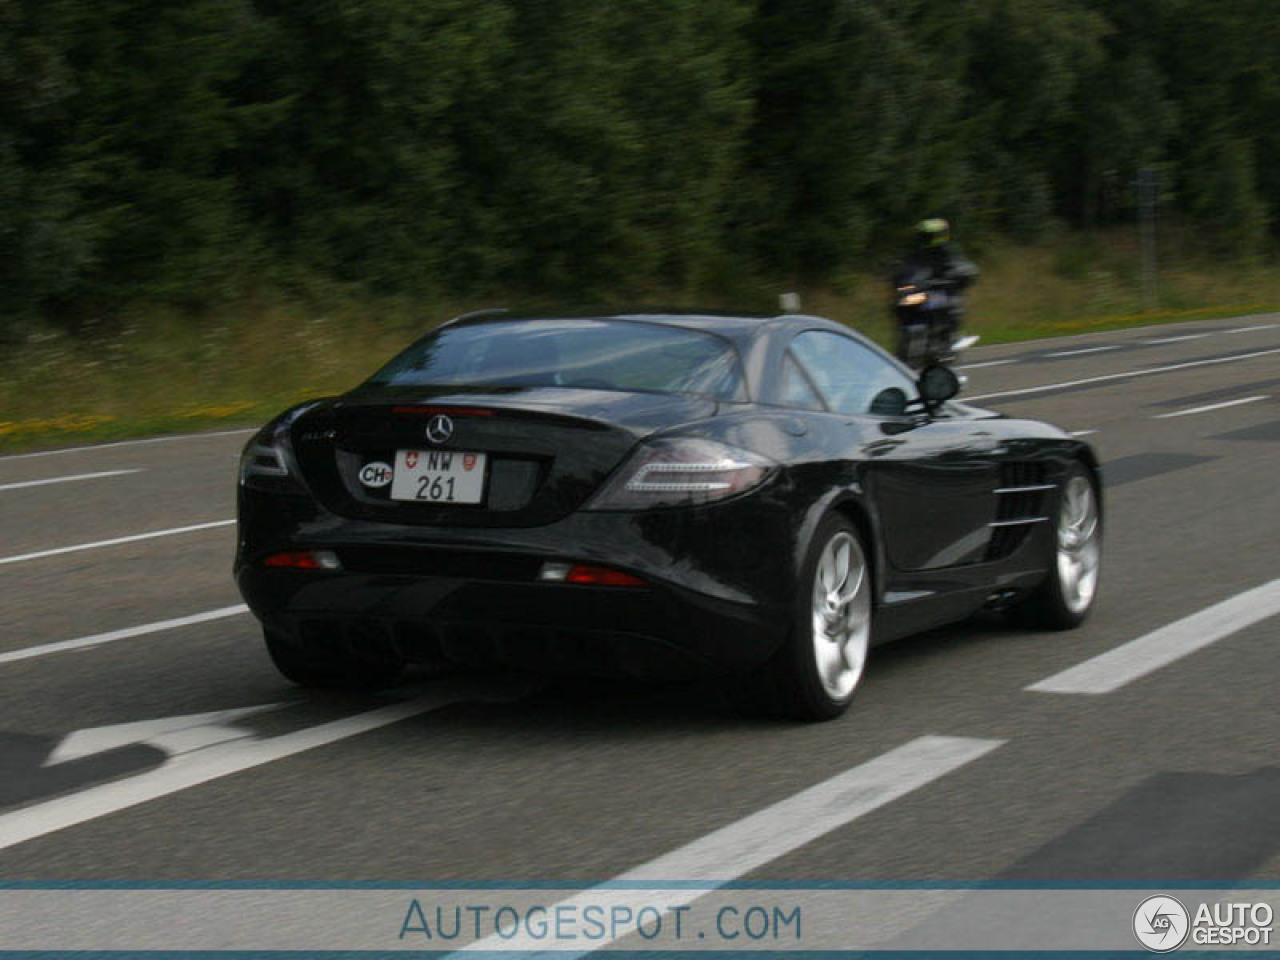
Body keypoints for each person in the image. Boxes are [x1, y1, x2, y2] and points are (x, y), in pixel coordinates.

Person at [891, 218, 978, 365]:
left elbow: (965, 267)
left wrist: (958, 273)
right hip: (921, 292)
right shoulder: (915, 253)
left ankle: (950, 337)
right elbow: (906, 269)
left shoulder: (948, 251)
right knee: (901, 303)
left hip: (940, 292)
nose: (925, 238)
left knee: (950, 304)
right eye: (923, 235)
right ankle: (903, 345)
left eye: (928, 235)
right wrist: (898, 276)